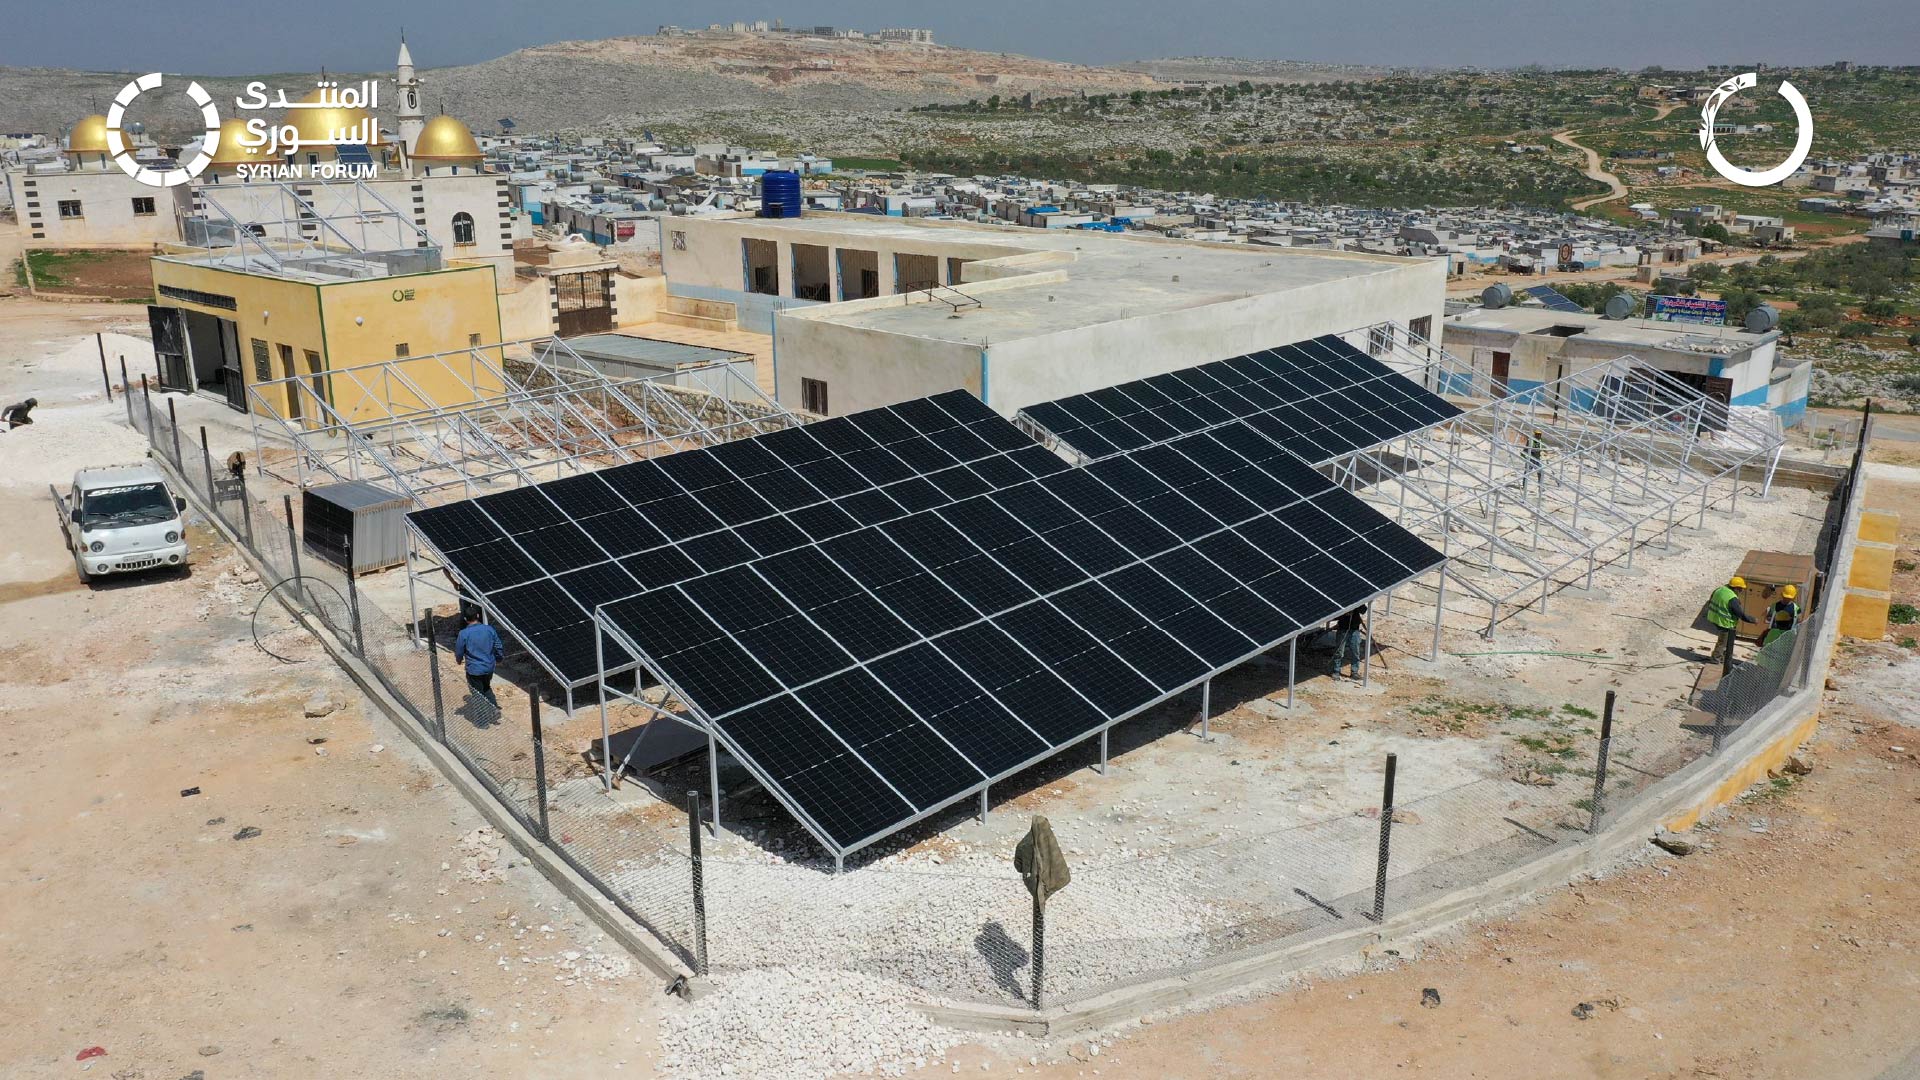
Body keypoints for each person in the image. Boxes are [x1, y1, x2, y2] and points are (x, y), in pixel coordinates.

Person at [453, 610, 504, 710]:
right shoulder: (489, 629)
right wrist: (499, 658)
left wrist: (459, 660)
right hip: (489, 667)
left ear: (465, 619)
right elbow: (498, 645)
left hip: (474, 670)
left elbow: (459, 651)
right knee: (486, 687)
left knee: (477, 695)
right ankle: (494, 709)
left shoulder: (464, 633)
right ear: (477, 615)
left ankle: (482, 722)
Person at [1706, 575, 1761, 663]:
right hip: (1725, 622)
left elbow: (1711, 600)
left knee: (1725, 641)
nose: (1741, 590)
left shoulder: (1720, 589)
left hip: (1715, 617)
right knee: (1723, 642)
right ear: (1735, 588)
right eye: (1740, 589)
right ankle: (1715, 660)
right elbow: (1740, 614)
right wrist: (1753, 619)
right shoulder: (1732, 598)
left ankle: (1723, 657)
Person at [1331, 604, 1367, 681]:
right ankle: (1336, 671)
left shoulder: (1357, 600)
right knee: (1339, 652)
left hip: (1354, 630)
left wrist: (1356, 605)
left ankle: (1354, 672)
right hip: (1342, 629)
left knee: (1355, 652)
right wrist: (1344, 614)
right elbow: (1333, 616)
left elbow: (1364, 610)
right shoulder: (1339, 602)